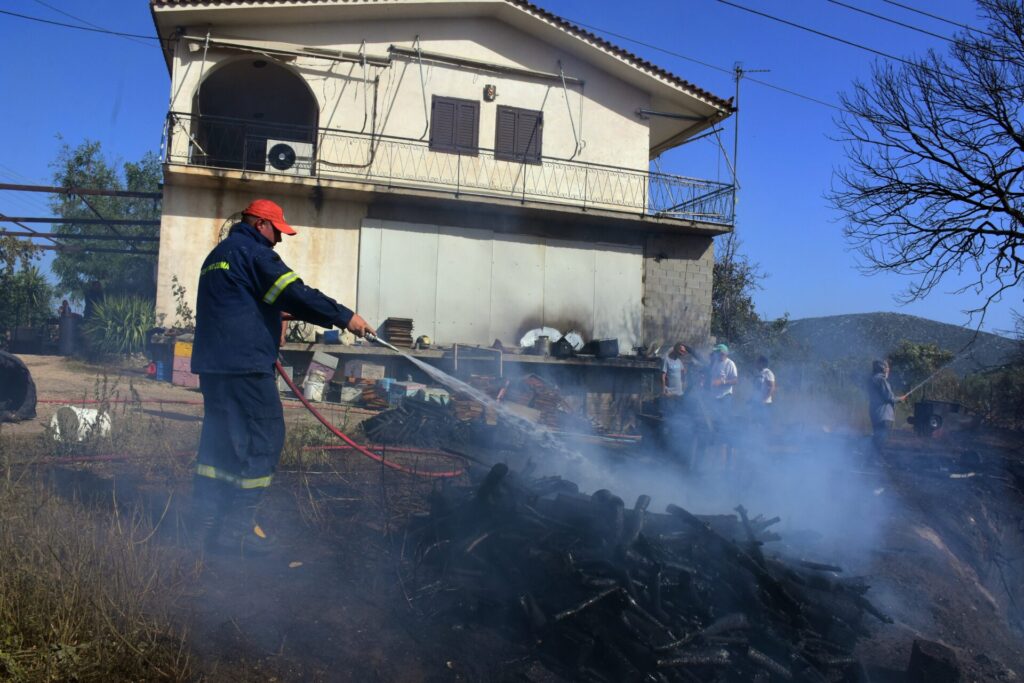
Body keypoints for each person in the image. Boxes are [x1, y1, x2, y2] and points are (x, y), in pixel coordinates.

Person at [191, 199, 375, 555]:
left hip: (214, 366)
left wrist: (272, 313)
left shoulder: (217, 256)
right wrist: (344, 316)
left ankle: (208, 520)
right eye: (277, 231)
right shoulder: (255, 253)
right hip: (245, 365)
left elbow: (238, 301)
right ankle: (239, 528)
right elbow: (296, 292)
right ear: (260, 223)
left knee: (221, 442)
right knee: (267, 436)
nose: (279, 240)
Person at [867, 359, 906, 463]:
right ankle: (873, 460)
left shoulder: (872, 379)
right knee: (880, 438)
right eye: (887, 367)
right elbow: (889, 397)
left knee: (878, 436)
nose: (888, 369)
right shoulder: (881, 380)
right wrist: (900, 399)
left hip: (875, 413)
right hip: (883, 414)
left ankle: (873, 459)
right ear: (882, 368)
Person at [708, 343, 739, 464]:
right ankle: (717, 448)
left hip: (725, 397)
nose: (717, 355)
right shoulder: (716, 363)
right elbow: (713, 378)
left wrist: (722, 382)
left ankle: (725, 449)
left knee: (724, 423)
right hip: (715, 398)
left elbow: (735, 380)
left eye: (719, 353)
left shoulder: (730, 364)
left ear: (724, 353)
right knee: (715, 423)